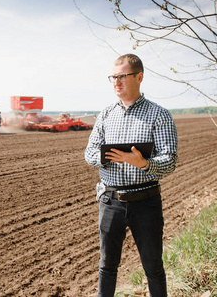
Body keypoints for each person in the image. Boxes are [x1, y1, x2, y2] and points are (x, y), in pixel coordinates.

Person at [84, 54, 178, 297]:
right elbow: (89, 153)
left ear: (139, 77)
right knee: (106, 266)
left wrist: (144, 164)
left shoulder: (159, 114)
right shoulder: (105, 114)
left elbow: (169, 161)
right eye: (113, 77)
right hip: (110, 201)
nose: (116, 82)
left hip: (146, 202)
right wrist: (105, 157)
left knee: (153, 268)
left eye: (122, 77)